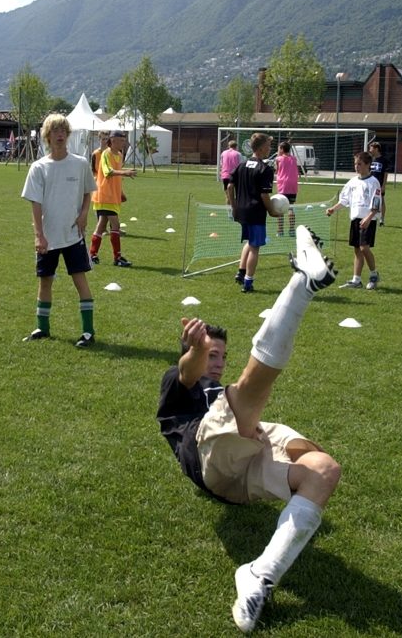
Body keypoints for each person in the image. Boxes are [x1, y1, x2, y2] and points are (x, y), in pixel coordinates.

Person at [157, 226, 340, 633]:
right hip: (210, 459)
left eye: (221, 354)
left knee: (324, 470)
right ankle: (303, 283)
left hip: (245, 460)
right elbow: (188, 373)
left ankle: (259, 576)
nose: (216, 360)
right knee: (245, 397)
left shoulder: (226, 390)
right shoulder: (177, 383)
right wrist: (196, 353)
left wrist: (251, 429)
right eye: (210, 353)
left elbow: (241, 403)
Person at [20, 113, 97, 348]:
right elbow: (35, 203)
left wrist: (84, 214)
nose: (60, 134)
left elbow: (88, 192)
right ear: (47, 136)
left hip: (73, 235)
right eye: (55, 130)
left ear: (68, 135)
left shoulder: (80, 163)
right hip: (47, 237)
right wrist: (38, 235)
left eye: (63, 130)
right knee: (44, 282)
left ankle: (88, 332)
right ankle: (42, 328)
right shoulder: (38, 167)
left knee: (79, 280)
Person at [228, 132, 279, 293]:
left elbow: (229, 187)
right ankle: (248, 283)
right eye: (269, 145)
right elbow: (264, 195)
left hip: (242, 210)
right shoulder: (265, 169)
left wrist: (234, 205)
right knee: (255, 247)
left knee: (249, 241)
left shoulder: (241, 165)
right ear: (263, 148)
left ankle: (241, 272)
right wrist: (272, 211)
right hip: (256, 212)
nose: (270, 148)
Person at [326, 151, 381, 289]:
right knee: (357, 249)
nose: (356, 167)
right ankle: (356, 280)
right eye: (355, 164)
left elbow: (376, 204)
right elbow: (344, 200)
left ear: (368, 165)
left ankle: (374, 275)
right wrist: (333, 208)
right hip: (356, 219)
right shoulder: (352, 182)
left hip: (368, 220)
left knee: (364, 247)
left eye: (360, 164)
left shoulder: (374, 182)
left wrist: (369, 218)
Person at [89, 130, 137, 267]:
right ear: (113, 140)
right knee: (115, 225)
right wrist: (125, 173)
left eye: (124, 140)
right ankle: (117, 258)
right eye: (121, 141)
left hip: (112, 196)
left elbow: (116, 177)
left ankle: (92, 254)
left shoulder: (120, 155)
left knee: (101, 226)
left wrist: (120, 192)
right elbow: (108, 172)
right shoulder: (106, 154)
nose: (124, 143)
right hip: (105, 195)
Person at [274, 141, 299, 236]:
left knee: (280, 208)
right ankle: (292, 230)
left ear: (281, 149)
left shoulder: (278, 159)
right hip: (293, 185)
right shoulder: (294, 158)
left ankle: (280, 231)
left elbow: (277, 170)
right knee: (291, 207)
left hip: (283, 185)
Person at [369, 141, 387, 224]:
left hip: (379, 185)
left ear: (376, 149)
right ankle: (370, 216)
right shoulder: (370, 159)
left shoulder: (383, 160)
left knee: (381, 201)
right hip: (370, 184)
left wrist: (383, 185)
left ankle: (382, 219)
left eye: (371, 148)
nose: (370, 150)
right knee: (369, 200)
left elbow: (385, 174)